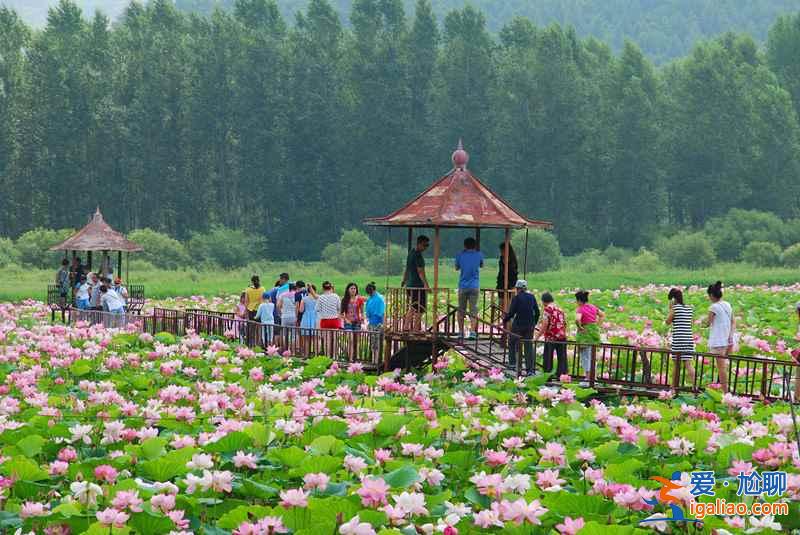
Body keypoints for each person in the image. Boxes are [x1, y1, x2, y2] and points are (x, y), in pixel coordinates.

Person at [503, 280, 540, 375]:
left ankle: (512, 363)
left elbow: (511, 313)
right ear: (525, 288)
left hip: (518, 325)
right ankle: (530, 370)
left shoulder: (516, 298)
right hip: (529, 325)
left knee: (512, 342)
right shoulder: (532, 297)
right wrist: (534, 323)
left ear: (518, 289)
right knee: (528, 346)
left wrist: (504, 320)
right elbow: (537, 312)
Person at [703, 281, 734, 393]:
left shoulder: (713, 307)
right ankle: (723, 388)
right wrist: (731, 336)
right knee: (723, 366)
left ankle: (726, 392)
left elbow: (708, 323)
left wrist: (702, 322)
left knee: (721, 367)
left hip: (718, 340)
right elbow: (733, 322)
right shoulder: (728, 305)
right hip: (728, 339)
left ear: (711, 295)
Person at [666, 288, 696, 387]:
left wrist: (670, 309)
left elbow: (667, 322)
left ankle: (673, 387)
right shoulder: (689, 308)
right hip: (688, 339)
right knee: (689, 364)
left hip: (678, 339)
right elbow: (691, 324)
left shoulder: (675, 308)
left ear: (673, 299)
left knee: (676, 365)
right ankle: (695, 386)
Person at [455, 237, 484, 339]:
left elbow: (456, 267)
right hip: (475, 286)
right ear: (475, 245)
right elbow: (481, 265)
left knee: (461, 310)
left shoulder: (460, 255)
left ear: (464, 245)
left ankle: (461, 332)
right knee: (473, 309)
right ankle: (472, 332)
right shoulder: (479, 254)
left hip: (463, 286)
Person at [534, 292, 567, 378]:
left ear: (544, 301)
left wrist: (537, 337)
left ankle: (547, 377)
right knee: (562, 358)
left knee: (548, 358)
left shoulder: (547, 309)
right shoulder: (560, 309)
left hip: (551, 337)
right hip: (562, 336)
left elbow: (545, 324)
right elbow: (565, 323)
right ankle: (562, 376)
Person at [575, 290, 604, 386]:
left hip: (585, 334)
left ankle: (588, 378)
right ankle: (593, 377)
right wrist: (597, 325)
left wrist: (580, 327)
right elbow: (602, 315)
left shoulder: (580, 308)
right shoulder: (593, 307)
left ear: (579, 300)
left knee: (585, 356)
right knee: (592, 355)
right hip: (594, 332)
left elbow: (577, 319)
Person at [402, 235, 430, 330]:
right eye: (424, 245)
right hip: (417, 286)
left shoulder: (411, 253)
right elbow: (420, 271)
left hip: (410, 285)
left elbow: (407, 269)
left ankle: (407, 327)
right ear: (419, 244)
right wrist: (426, 285)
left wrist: (404, 280)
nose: (425, 247)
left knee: (414, 307)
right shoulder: (417, 255)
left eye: (427, 245)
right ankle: (415, 329)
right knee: (420, 308)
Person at [365, 282, 385, 361]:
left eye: (370, 293)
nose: (370, 294)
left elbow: (382, 313)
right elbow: (367, 313)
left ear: (373, 290)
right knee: (374, 343)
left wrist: (383, 324)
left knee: (377, 343)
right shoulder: (371, 299)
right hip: (372, 323)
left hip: (378, 323)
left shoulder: (379, 299)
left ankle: (376, 360)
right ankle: (375, 359)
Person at [298, 284, 318, 356]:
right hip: (315, 318)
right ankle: (316, 355)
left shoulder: (304, 299)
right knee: (315, 339)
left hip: (306, 318)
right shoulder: (317, 298)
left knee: (306, 339)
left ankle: (306, 355)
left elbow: (301, 310)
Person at [277, 282, 298, 347]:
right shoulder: (297, 295)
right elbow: (297, 307)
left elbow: (278, 306)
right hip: (294, 317)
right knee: (293, 335)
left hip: (285, 316)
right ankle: (292, 350)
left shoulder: (283, 295)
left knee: (284, 335)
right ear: (295, 288)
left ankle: (285, 349)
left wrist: (281, 314)